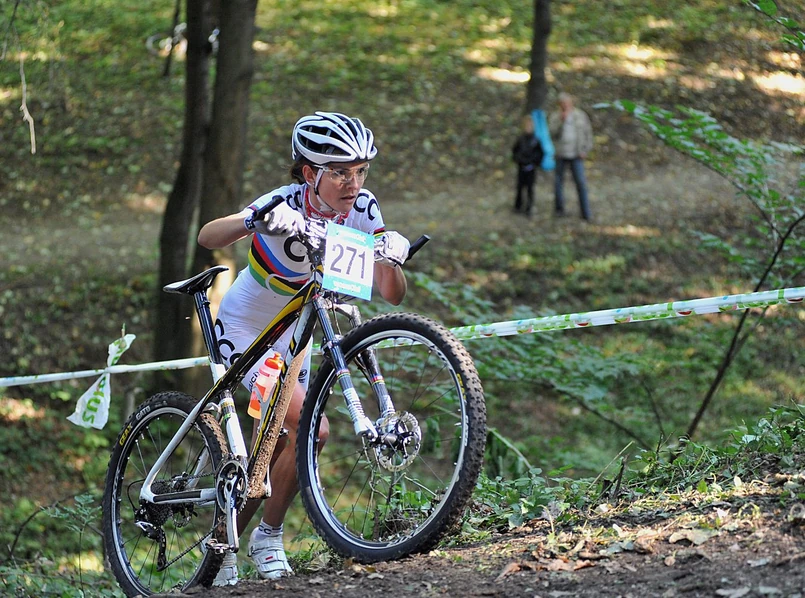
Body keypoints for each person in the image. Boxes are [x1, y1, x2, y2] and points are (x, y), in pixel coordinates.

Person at [197, 111, 410, 586]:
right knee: (310, 427)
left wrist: (392, 256)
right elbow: (207, 236)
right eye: (340, 173)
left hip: (300, 330)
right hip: (248, 326)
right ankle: (245, 540)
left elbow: (392, 294)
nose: (353, 184)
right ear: (310, 172)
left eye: (360, 171)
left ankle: (248, 539)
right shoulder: (286, 200)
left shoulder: (363, 208)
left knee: (288, 441)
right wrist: (254, 219)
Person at [549, 92, 593, 221]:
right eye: (562, 104)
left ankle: (586, 212)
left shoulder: (580, 115)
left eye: (567, 103)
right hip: (560, 154)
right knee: (558, 183)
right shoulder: (555, 116)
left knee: (581, 183)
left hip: (576, 154)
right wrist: (561, 121)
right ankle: (559, 210)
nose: (565, 105)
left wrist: (585, 149)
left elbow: (588, 133)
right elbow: (552, 134)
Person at [511, 114, 544, 217]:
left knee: (530, 188)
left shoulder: (536, 140)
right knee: (520, 187)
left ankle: (529, 207)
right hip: (521, 167)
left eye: (530, 125)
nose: (528, 127)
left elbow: (540, 154)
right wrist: (519, 160)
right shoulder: (520, 139)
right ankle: (518, 206)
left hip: (531, 168)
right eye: (527, 125)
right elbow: (515, 151)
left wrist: (534, 162)